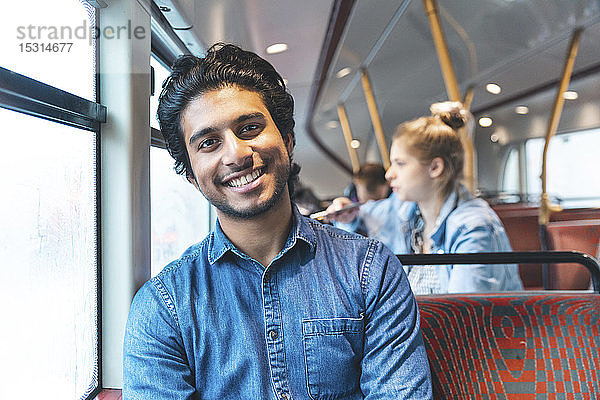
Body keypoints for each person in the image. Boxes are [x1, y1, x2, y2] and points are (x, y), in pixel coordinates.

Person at [123, 43, 432, 399]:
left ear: (286, 139)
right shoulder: (163, 307)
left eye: (250, 128)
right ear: (192, 175)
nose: (236, 153)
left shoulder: (370, 270)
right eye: (208, 143)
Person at [327, 102, 523, 295]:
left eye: (400, 163)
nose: (389, 175)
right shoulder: (408, 209)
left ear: (435, 168)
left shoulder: (473, 227)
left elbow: (463, 315)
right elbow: (364, 216)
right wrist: (348, 217)